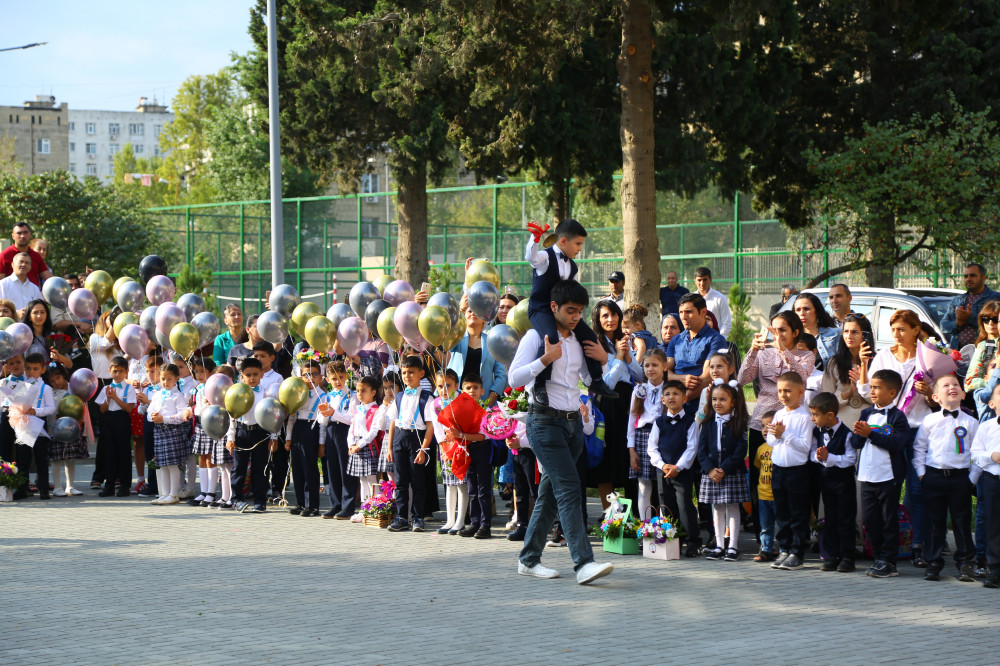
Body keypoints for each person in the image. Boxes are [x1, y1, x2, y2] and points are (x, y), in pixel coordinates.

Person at [508, 279, 615, 584]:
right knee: (569, 488)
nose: (575, 317)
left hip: (573, 424)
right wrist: (544, 359)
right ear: (553, 307)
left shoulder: (579, 341)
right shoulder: (535, 337)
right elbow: (514, 377)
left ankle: (529, 559)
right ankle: (583, 563)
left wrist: (604, 361)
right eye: (570, 310)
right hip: (543, 421)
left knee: (550, 496)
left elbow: (585, 378)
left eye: (580, 311)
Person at [858, 309, 934, 567]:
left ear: (915, 330)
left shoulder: (928, 358)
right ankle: (886, 550)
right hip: (889, 430)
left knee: (916, 488)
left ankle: (917, 545)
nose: (897, 334)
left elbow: (939, 398)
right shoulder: (883, 356)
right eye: (893, 329)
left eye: (902, 329)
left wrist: (930, 391)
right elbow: (870, 390)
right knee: (889, 490)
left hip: (919, 430)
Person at [737, 311, 814, 546]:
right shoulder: (763, 353)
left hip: (791, 422)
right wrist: (753, 350)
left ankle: (793, 539)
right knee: (760, 481)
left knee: (788, 485)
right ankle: (764, 541)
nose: (778, 335)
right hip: (762, 422)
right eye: (775, 329)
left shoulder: (805, 355)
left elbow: (801, 377)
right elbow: (742, 378)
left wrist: (784, 352)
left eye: (783, 330)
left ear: (796, 332)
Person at [524, 218, 615, 403]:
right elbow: (530, 258)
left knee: (590, 336)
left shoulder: (572, 266)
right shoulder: (545, 257)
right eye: (578, 243)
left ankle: (596, 379)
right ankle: (540, 385)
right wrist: (535, 238)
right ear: (564, 241)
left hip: (563, 312)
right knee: (551, 337)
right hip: (541, 310)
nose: (580, 248)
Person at [913, 375, 979, 582]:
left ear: (963, 393)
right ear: (935, 397)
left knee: (961, 520)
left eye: (956, 385)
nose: (952, 387)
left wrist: (972, 480)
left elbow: (978, 453)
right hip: (933, 476)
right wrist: (922, 474)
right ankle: (933, 562)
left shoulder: (971, 422)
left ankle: (965, 561)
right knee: (935, 521)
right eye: (946, 385)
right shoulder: (929, 420)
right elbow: (919, 449)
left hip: (960, 478)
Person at [850, 369, 911, 578]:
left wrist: (871, 434)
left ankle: (889, 561)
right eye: (872, 387)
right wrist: (859, 433)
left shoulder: (898, 417)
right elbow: (856, 442)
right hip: (867, 476)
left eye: (877, 387)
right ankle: (878, 557)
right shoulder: (867, 413)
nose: (872, 391)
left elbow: (896, 444)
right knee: (870, 519)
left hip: (888, 477)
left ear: (892, 393)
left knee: (888, 520)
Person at [590, 299, 641, 509]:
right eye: (605, 316)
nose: (610, 320)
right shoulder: (595, 345)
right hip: (606, 404)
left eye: (614, 315)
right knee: (606, 458)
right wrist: (619, 357)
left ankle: (633, 512)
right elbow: (607, 383)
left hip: (628, 404)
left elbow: (639, 375)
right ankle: (608, 512)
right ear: (598, 319)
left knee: (628, 455)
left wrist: (628, 356)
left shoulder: (625, 340)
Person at [765, 371, 814, 571]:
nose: (783, 395)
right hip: (779, 470)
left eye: (788, 391)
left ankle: (797, 552)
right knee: (782, 513)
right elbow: (770, 441)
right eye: (780, 391)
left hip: (797, 472)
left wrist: (784, 435)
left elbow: (805, 446)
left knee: (798, 513)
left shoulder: (805, 417)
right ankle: (784, 548)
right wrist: (774, 435)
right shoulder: (779, 414)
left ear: (800, 392)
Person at [648, 379, 701, 557]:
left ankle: (693, 542)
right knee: (666, 505)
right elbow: (652, 447)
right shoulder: (659, 422)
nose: (672, 397)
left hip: (682, 471)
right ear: (663, 399)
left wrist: (678, 467)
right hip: (662, 471)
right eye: (668, 394)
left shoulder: (690, 422)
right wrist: (663, 465)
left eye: (676, 394)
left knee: (684, 505)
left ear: (684, 399)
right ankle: (672, 540)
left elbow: (692, 448)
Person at [698, 381, 750, 561]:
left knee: (733, 507)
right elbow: (701, 450)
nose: (717, 403)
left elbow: (741, 450)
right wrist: (710, 469)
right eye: (714, 399)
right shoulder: (707, 423)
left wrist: (724, 468)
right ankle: (719, 545)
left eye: (722, 399)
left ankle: (733, 546)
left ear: (733, 402)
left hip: (731, 470)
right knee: (717, 508)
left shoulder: (739, 423)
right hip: (711, 471)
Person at [384, 355, 435, 532]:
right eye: (404, 372)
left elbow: (430, 427)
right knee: (400, 481)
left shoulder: (427, 398)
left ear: (421, 374)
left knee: (417, 480)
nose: (407, 376)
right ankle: (401, 517)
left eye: (411, 372)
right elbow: (392, 422)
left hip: (417, 439)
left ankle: (418, 517)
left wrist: (423, 449)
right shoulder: (399, 396)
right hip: (400, 437)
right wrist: (390, 447)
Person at [809, 392, 858, 573]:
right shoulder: (817, 431)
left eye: (815, 415)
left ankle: (848, 557)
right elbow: (813, 454)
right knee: (830, 518)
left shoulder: (847, 434)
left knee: (845, 519)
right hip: (826, 482)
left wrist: (830, 458)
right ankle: (832, 555)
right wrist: (819, 458)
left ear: (830, 415)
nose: (812, 418)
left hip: (844, 483)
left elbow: (850, 459)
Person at [226, 357, 278, 513]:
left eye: (256, 374)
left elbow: (274, 415)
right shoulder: (237, 392)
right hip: (241, 432)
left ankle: (260, 501)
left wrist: (274, 437)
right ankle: (236, 499)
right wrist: (231, 437)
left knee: (260, 469)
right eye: (248, 375)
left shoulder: (266, 393)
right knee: (238, 468)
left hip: (261, 432)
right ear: (242, 375)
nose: (252, 378)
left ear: (262, 374)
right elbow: (231, 416)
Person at [665, 293, 727, 407]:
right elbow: (664, 372)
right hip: (674, 404)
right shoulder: (676, 340)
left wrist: (683, 400)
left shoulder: (716, 340)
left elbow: (707, 377)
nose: (683, 317)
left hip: (701, 406)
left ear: (703, 312)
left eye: (688, 312)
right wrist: (682, 379)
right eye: (681, 312)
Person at [626, 349, 666, 520]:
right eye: (647, 365)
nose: (650, 369)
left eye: (655, 365)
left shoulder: (670, 389)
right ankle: (645, 526)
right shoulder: (639, 390)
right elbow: (632, 420)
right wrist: (631, 449)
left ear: (664, 366)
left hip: (664, 437)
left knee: (664, 486)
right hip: (643, 435)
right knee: (644, 485)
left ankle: (665, 528)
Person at [285, 360, 329, 518]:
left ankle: (313, 506)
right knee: (297, 468)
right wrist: (288, 438)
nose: (310, 378)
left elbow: (323, 424)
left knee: (310, 468)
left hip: (312, 430)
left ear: (320, 376)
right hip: (298, 429)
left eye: (314, 374)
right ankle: (301, 502)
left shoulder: (323, 396)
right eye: (306, 375)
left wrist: (321, 444)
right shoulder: (297, 393)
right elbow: (291, 417)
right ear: (300, 377)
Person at [454, 374, 493, 539]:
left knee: (483, 490)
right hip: (467, 451)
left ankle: (485, 525)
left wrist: (461, 434)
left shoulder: (486, 410)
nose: (472, 391)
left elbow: (482, 436)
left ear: (482, 391)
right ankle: (474, 522)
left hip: (482, 450)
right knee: (472, 489)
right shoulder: (459, 410)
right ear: (462, 391)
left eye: (476, 388)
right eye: (468, 388)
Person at [447, 296, 507, 404]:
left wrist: (491, 398)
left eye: (477, 311)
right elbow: (448, 342)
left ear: (485, 318)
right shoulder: (457, 338)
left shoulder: (493, 342)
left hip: (483, 401)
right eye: (469, 311)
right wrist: (460, 310)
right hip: (454, 399)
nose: (473, 313)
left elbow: (501, 375)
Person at [318, 360, 358, 520]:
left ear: (346, 376)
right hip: (330, 431)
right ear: (328, 380)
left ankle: (348, 506)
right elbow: (321, 421)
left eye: (341, 377)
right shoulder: (327, 396)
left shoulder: (352, 396)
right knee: (332, 468)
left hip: (345, 432)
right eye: (334, 378)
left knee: (345, 469)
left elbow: (352, 419)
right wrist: (323, 414)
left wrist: (333, 413)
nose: (338, 381)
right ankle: (335, 504)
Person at [147, 363, 191, 506]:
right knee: (162, 464)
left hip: (172, 431)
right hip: (159, 430)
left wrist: (164, 419)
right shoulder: (157, 394)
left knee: (172, 464)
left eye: (169, 379)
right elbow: (149, 412)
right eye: (163, 378)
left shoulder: (178, 396)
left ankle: (174, 493)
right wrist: (152, 416)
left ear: (177, 378)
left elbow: (181, 415)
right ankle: (164, 493)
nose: (166, 382)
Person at [820, 313, 874, 429]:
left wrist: (862, 383)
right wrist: (848, 392)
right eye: (846, 331)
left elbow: (882, 400)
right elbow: (825, 402)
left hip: (869, 424)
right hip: (841, 425)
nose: (849, 336)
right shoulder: (834, 362)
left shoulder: (876, 361)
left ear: (865, 335)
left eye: (854, 332)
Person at [432, 369, 470, 534]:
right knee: (449, 484)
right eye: (440, 386)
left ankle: (460, 521)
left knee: (461, 484)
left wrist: (459, 442)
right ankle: (450, 520)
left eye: (448, 385)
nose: (444, 390)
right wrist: (443, 446)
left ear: (456, 385)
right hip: (445, 448)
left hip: (461, 446)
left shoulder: (463, 401)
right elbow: (437, 427)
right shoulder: (436, 404)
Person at [970, 383, 1000, 588]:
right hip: (993, 480)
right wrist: (992, 455)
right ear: (992, 403)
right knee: (994, 526)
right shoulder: (986, 427)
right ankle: (995, 569)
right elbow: (975, 453)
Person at [95, 356, 136, 498]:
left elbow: (129, 408)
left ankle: (125, 486)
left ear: (126, 372)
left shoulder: (129, 389)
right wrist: (108, 398)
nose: (117, 374)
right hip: (108, 419)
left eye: (121, 371)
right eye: (115, 371)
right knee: (109, 453)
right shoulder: (106, 388)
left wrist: (115, 398)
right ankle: (109, 485)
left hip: (122, 419)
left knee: (124, 453)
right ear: (109, 371)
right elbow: (102, 409)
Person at [46, 366, 87, 496]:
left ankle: (70, 486)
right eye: (52, 380)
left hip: (72, 428)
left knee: (70, 458)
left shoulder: (74, 388)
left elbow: (81, 406)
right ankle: (57, 487)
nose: (56, 382)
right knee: (57, 459)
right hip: (55, 429)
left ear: (64, 376)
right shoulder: (50, 392)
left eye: (58, 378)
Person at [941, 263, 1000, 350]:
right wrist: (957, 323)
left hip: (985, 351)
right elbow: (943, 325)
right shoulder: (957, 300)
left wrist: (970, 317)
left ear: (984, 278)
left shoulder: (995, 298)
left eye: (972, 276)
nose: (968, 279)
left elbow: (995, 324)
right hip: (958, 352)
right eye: (966, 276)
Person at [186, 358, 217, 507]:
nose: (198, 375)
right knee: (202, 457)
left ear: (211, 372)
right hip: (198, 422)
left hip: (210, 422)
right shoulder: (197, 388)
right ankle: (203, 491)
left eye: (202, 371)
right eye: (196, 372)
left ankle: (211, 492)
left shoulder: (213, 387)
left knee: (211, 457)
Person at [209, 364, 238, 509]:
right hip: (219, 433)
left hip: (229, 434)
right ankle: (224, 496)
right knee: (223, 467)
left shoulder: (233, 396)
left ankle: (232, 497)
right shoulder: (215, 397)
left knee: (230, 467)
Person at [964, 299, 1000, 415]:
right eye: (986, 319)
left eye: (995, 320)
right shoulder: (984, 346)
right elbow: (969, 382)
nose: (990, 323)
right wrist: (991, 382)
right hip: (992, 408)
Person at [753, 411, 778, 562]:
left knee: (781, 525)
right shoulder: (761, 448)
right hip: (763, 494)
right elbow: (758, 466)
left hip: (777, 495)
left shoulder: (780, 447)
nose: (764, 430)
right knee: (765, 526)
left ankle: (783, 549)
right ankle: (766, 549)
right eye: (762, 426)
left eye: (769, 426)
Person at [792, 293, 840, 368]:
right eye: (798, 310)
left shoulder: (835, 334)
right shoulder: (791, 337)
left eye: (806, 309)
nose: (802, 313)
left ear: (817, 311)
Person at [22, 300, 72, 368]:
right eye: (35, 313)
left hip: (53, 376)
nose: (39, 316)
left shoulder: (52, 336)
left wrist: (58, 356)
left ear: (47, 315)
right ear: (29, 316)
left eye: (42, 312)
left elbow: (69, 365)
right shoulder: (25, 339)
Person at [0, 222, 53, 286]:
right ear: (13, 236)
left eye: (25, 232)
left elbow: (49, 278)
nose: (22, 236)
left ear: (30, 234)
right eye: (19, 233)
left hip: (33, 294)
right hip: (11, 294)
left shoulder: (36, 256)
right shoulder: (5, 255)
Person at [692, 267, 731, 337]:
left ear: (710, 280)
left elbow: (726, 323)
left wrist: (719, 339)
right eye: (699, 280)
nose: (702, 283)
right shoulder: (691, 299)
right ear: (695, 281)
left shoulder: (720, 298)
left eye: (705, 280)